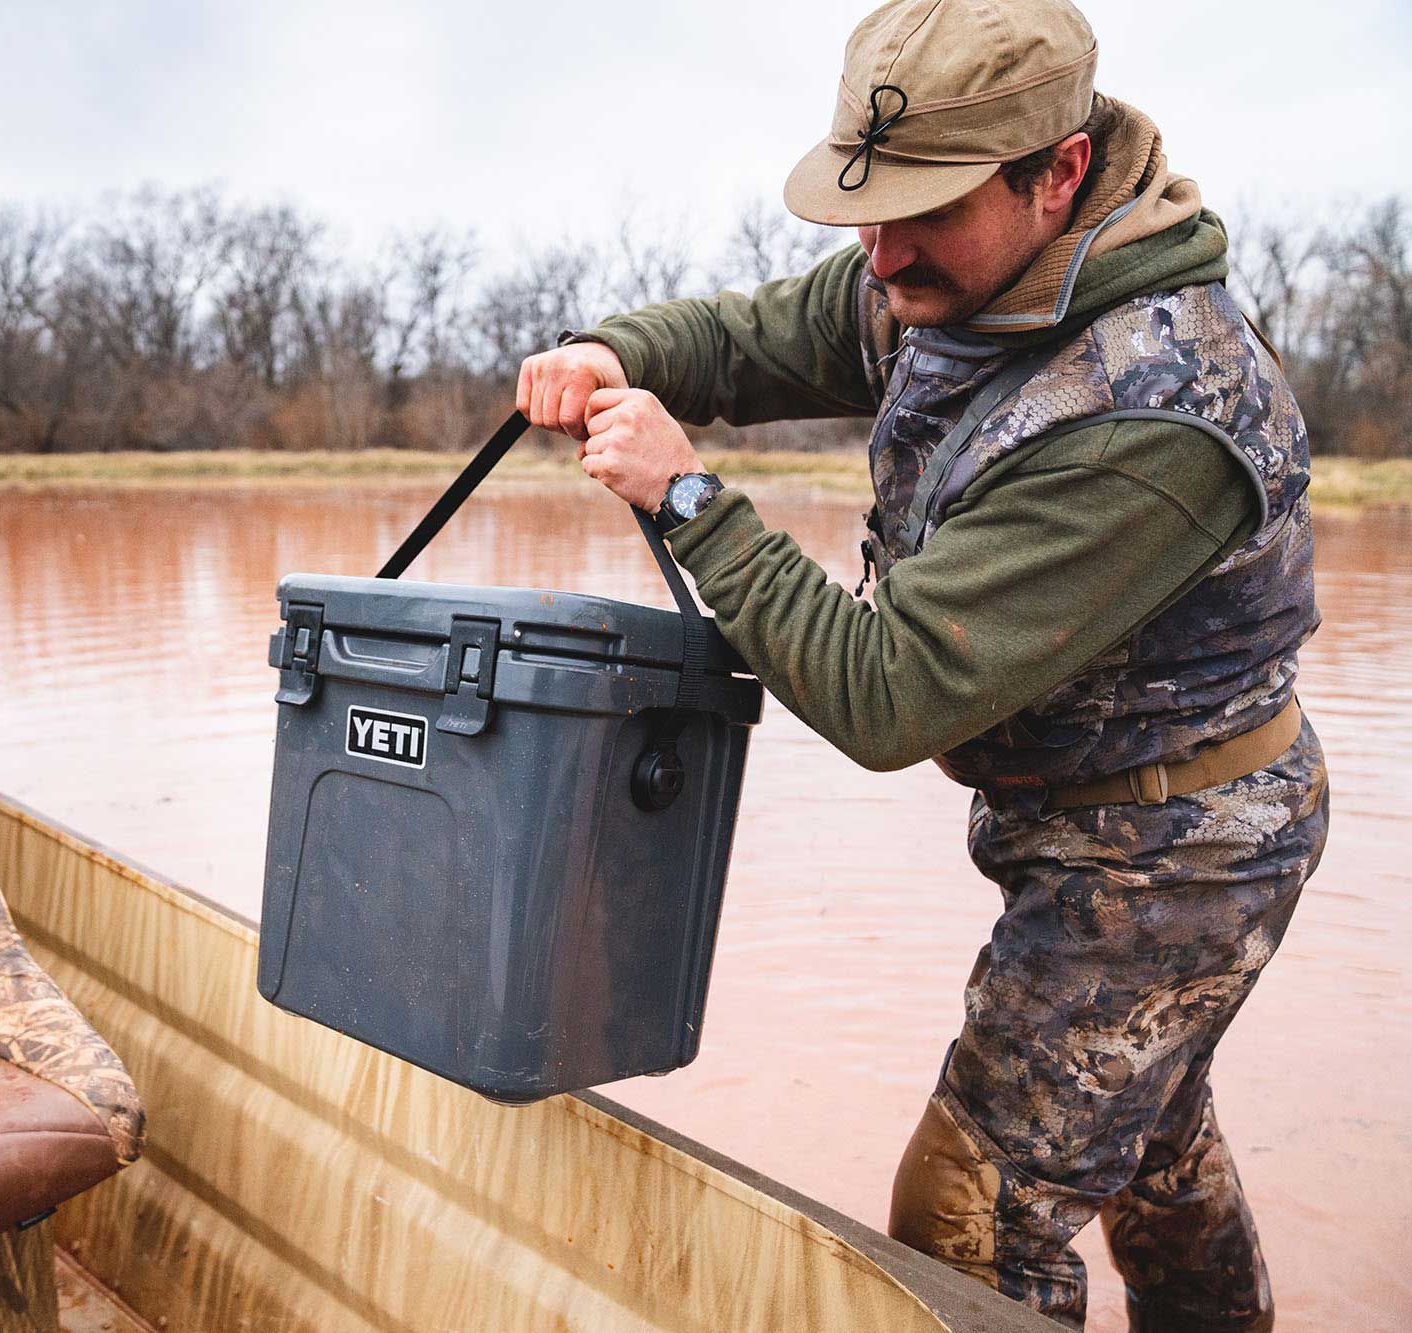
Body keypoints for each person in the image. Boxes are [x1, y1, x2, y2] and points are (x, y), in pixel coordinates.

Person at [515, 1, 1326, 1328]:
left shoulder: (1158, 406)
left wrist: (689, 501)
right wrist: (619, 350)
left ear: (1056, 173)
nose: (878, 253)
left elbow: (887, 691)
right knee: (1150, 1147)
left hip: (1177, 850)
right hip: (1082, 806)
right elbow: (764, 334)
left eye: (921, 214)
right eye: (865, 209)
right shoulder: (962, 268)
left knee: (971, 1213)